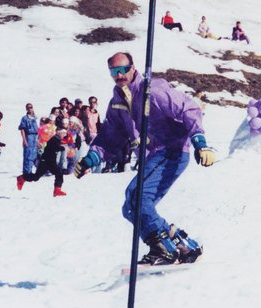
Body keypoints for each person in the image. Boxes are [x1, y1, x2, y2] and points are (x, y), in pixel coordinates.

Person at [74, 52, 215, 265]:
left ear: (133, 68)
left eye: (123, 69)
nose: (119, 75)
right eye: (114, 71)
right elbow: (109, 137)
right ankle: (182, 243)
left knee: (136, 197)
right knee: (131, 208)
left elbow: (189, 108)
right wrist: (90, 159)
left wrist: (200, 143)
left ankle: (163, 249)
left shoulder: (153, 91)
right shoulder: (117, 103)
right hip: (154, 155)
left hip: (173, 149)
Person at [17, 127, 68, 197]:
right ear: (59, 133)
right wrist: (62, 148)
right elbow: (54, 147)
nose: (64, 135)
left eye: (65, 133)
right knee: (36, 177)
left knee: (58, 173)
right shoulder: (55, 139)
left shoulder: (57, 139)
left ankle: (57, 190)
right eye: (63, 133)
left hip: (50, 161)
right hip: (45, 161)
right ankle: (22, 178)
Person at [18, 103, 39, 175]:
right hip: (29, 136)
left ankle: (31, 170)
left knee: (34, 154)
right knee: (28, 154)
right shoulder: (25, 118)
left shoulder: (35, 118)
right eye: (28, 107)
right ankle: (26, 172)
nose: (30, 109)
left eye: (31, 107)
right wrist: (24, 140)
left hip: (35, 137)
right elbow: (22, 129)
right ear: (26, 109)